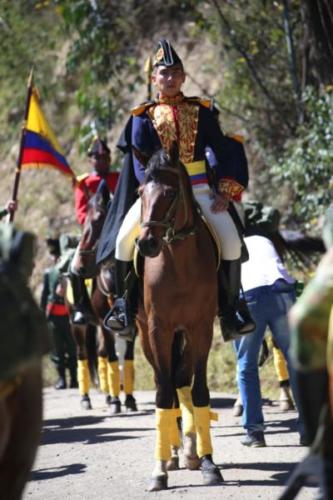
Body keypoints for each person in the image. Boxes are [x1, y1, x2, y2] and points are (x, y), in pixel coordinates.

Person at [106, 38, 255, 340]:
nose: (170, 78)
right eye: (164, 73)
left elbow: (223, 149)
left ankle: (231, 310)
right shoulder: (141, 117)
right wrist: (149, 191)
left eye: (175, 72)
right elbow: (138, 161)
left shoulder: (201, 111)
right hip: (158, 195)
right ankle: (124, 307)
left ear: (184, 77)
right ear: (154, 79)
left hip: (200, 190)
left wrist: (224, 191)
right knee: (123, 241)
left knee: (231, 243)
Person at [233, 205, 305, 447]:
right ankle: (308, 429)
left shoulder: (231, 243)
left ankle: (254, 433)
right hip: (281, 292)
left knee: (247, 366)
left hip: (250, 296)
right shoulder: (266, 240)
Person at [70, 136, 119, 324]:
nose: (101, 162)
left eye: (105, 158)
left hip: (116, 232)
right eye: (97, 158)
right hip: (94, 233)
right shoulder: (84, 183)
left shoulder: (118, 178)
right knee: (74, 266)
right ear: (90, 160)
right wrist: (94, 226)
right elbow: (81, 213)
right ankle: (82, 307)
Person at [40, 237, 78, 389]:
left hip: (69, 315)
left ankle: (74, 379)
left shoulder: (70, 269)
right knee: (57, 350)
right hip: (54, 316)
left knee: (72, 348)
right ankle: (62, 379)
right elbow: (45, 296)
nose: (54, 258)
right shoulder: (49, 273)